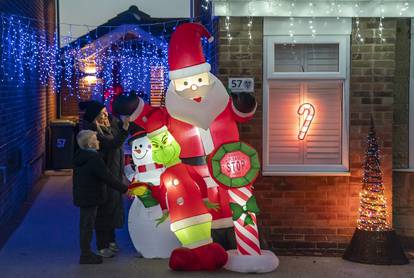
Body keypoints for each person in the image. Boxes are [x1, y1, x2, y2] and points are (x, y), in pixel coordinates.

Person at [78, 100, 130, 258]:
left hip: (114, 173)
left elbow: (116, 126)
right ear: (95, 118)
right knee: (103, 212)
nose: (106, 115)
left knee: (113, 209)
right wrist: (125, 128)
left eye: (105, 111)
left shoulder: (110, 125)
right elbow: (114, 143)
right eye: (102, 114)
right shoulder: (93, 134)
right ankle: (102, 245)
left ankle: (111, 241)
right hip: (104, 177)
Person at [72, 130, 129, 264]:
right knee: (88, 225)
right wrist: (125, 189)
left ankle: (85, 252)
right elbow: (108, 177)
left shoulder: (80, 155)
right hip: (91, 196)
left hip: (83, 196)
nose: (98, 142)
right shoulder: (94, 159)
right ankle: (85, 255)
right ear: (90, 144)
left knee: (85, 225)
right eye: (95, 140)